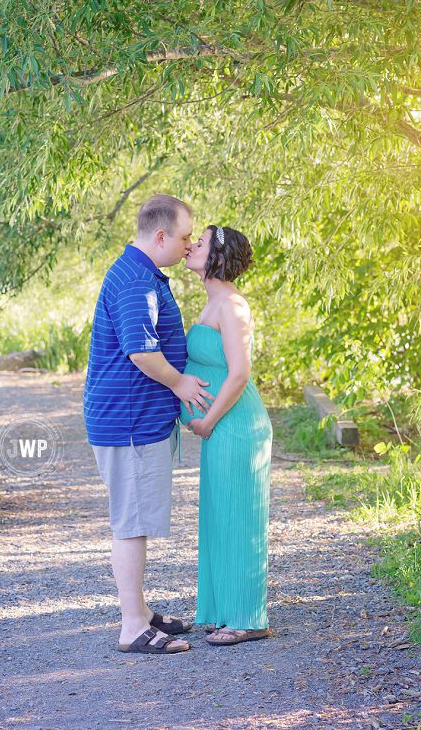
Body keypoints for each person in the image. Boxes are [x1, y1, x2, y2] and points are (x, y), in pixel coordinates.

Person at [83, 195, 214, 655]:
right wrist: (179, 383)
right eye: (183, 237)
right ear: (160, 236)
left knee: (134, 518)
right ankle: (133, 625)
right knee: (131, 524)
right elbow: (141, 352)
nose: (188, 245)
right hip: (130, 422)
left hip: (131, 419)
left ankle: (140, 609)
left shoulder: (137, 272)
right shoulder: (136, 281)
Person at [181, 225, 273, 645]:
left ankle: (248, 619)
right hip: (220, 425)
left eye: (198, 244)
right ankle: (224, 611)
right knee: (220, 515)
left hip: (236, 425)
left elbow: (239, 374)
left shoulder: (232, 306)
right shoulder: (212, 303)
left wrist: (209, 420)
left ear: (216, 257)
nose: (190, 248)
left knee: (240, 516)